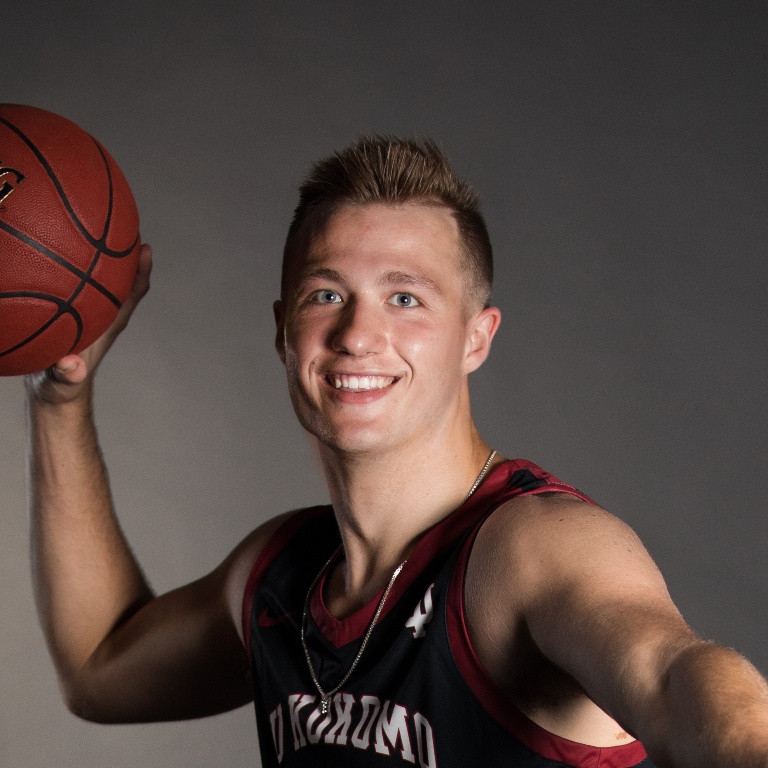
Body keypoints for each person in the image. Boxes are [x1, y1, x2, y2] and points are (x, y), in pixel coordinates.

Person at [25, 136, 768, 768]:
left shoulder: (531, 548)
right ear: (283, 331)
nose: (356, 334)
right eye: (325, 295)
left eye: (405, 298)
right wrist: (61, 400)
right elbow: (99, 670)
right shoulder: (275, 577)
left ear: (476, 338)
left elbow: (676, 678)